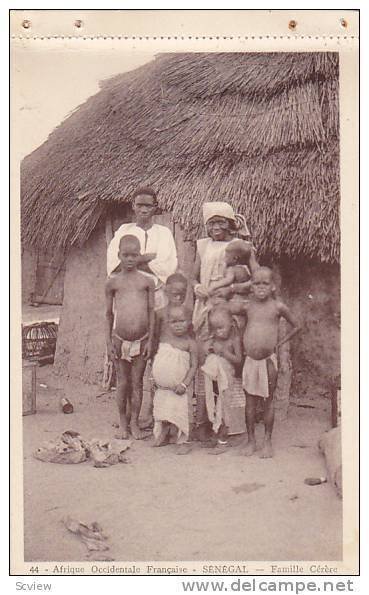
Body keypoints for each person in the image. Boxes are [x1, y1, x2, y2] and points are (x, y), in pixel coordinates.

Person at [191, 201, 257, 440]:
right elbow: (193, 275)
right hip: (206, 307)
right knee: (205, 361)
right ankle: (205, 421)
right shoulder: (202, 246)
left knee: (229, 363)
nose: (215, 227)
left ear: (230, 224)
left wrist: (234, 287)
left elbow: (257, 275)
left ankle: (230, 423)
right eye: (211, 223)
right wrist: (197, 286)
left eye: (220, 222)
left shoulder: (240, 246)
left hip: (230, 310)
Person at [230, 267, 300, 458]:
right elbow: (226, 306)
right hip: (250, 361)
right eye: (256, 283)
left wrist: (280, 343)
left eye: (265, 283)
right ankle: (251, 441)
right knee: (250, 402)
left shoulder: (278, 307)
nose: (260, 287)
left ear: (273, 286)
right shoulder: (247, 306)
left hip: (268, 361)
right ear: (251, 286)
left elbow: (297, 325)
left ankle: (267, 442)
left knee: (268, 403)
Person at [105, 235, 155, 440]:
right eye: (125, 255)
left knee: (137, 382)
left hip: (142, 340)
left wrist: (151, 340)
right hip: (119, 339)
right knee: (122, 383)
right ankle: (122, 423)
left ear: (140, 256)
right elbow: (108, 314)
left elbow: (152, 311)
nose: (130, 259)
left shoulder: (147, 281)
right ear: (119, 255)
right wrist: (108, 342)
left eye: (134, 255)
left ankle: (134, 422)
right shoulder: (113, 283)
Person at [107, 187, 178, 309]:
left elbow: (167, 267)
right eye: (139, 205)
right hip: (126, 296)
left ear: (155, 207)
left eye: (148, 206)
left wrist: (131, 261)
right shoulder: (124, 230)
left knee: (154, 327)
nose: (144, 210)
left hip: (156, 297)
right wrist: (147, 258)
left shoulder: (164, 233)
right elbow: (114, 265)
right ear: (133, 206)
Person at [151, 305, 198, 455]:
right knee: (163, 411)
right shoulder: (164, 339)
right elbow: (159, 359)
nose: (178, 325)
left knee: (182, 413)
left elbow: (193, 366)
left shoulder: (190, 343)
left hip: (180, 388)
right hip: (162, 388)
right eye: (174, 322)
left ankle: (184, 440)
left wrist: (185, 384)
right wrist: (154, 377)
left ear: (189, 322)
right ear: (168, 323)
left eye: (182, 321)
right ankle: (164, 434)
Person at [201, 307, 243, 453]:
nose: (218, 332)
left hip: (227, 382)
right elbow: (205, 353)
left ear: (231, 323)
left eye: (221, 328)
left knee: (224, 410)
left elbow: (239, 360)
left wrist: (224, 353)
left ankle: (223, 441)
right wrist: (209, 349)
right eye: (215, 328)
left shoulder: (234, 339)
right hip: (215, 383)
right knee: (214, 409)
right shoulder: (215, 338)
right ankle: (215, 435)